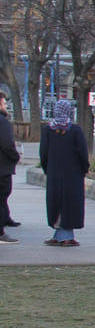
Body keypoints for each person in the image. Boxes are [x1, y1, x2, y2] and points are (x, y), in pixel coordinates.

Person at [40, 100, 89, 247]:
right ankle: (66, 235)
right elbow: (82, 153)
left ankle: (59, 233)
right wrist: (84, 169)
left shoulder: (48, 130)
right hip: (72, 174)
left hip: (54, 173)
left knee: (56, 202)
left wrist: (47, 169)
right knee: (70, 203)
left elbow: (43, 152)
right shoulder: (74, 130)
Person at [0, 91, 22, 243]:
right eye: (4, 101)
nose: (6, 105)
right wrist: (15, 156)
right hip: (2, 168)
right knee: (2, 197)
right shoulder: (2, 123)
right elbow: (7, 144)